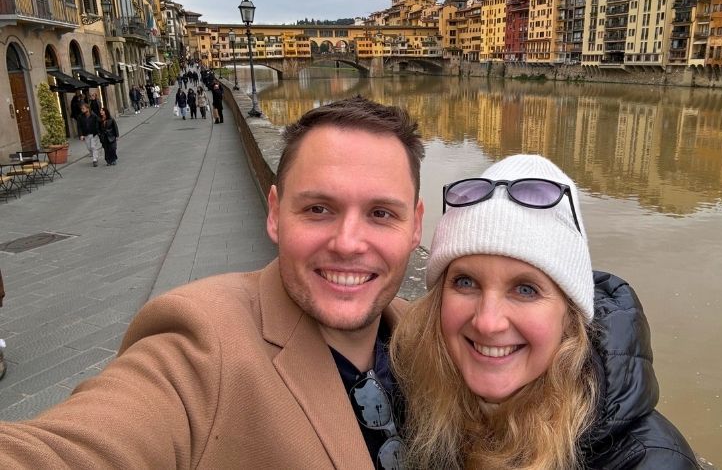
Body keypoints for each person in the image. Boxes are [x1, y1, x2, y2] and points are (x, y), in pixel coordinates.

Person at [0, 97, 425, 469]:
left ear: (416, 226)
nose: (348, 243)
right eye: (318, 209)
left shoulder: (429, 336)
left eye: (381, 214)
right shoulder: (200, 344)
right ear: (275, 214)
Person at [391, 154, 700, 470]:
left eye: (525, 289)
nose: (487, 321)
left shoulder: (647, 461)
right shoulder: (415, 395)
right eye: (466, 282)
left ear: (569, 315)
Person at [76, 102, 101, 167]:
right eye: (81, 109)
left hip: (94, 134)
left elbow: (98, 123)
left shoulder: (94, 115)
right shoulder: (80, 117)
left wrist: (98, 132)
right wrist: (81, 135)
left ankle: (95, 160)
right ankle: (94, 155)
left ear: (88, 108)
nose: (82, 110)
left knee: (93, 146)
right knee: (89, 147)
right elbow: (79, 127)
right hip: (86, 134)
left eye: (83, 108)